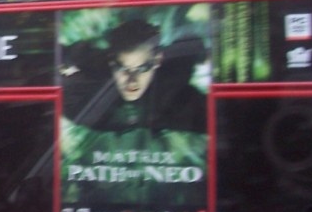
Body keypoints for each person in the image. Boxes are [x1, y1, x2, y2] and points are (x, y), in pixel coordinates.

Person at [61, 18, 206, 134]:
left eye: (142, 68)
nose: (132, 81)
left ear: (157, 61)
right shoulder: (90, 89)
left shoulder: (176, 89)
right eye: (123, 69)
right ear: (111, 62)